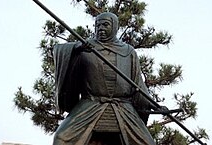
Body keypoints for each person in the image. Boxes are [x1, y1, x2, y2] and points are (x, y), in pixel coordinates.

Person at [52, 12, 158, 145]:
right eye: (98, 25)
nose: (100, 28)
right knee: (61, 138)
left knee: (147, 143)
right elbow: (59, 50)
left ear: (115, 27)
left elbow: (139, 85)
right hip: (91, 104)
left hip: (122, 106)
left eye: (105, 24)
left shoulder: (128, 52)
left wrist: (155, 106)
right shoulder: (86, 48)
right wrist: (76, 48)